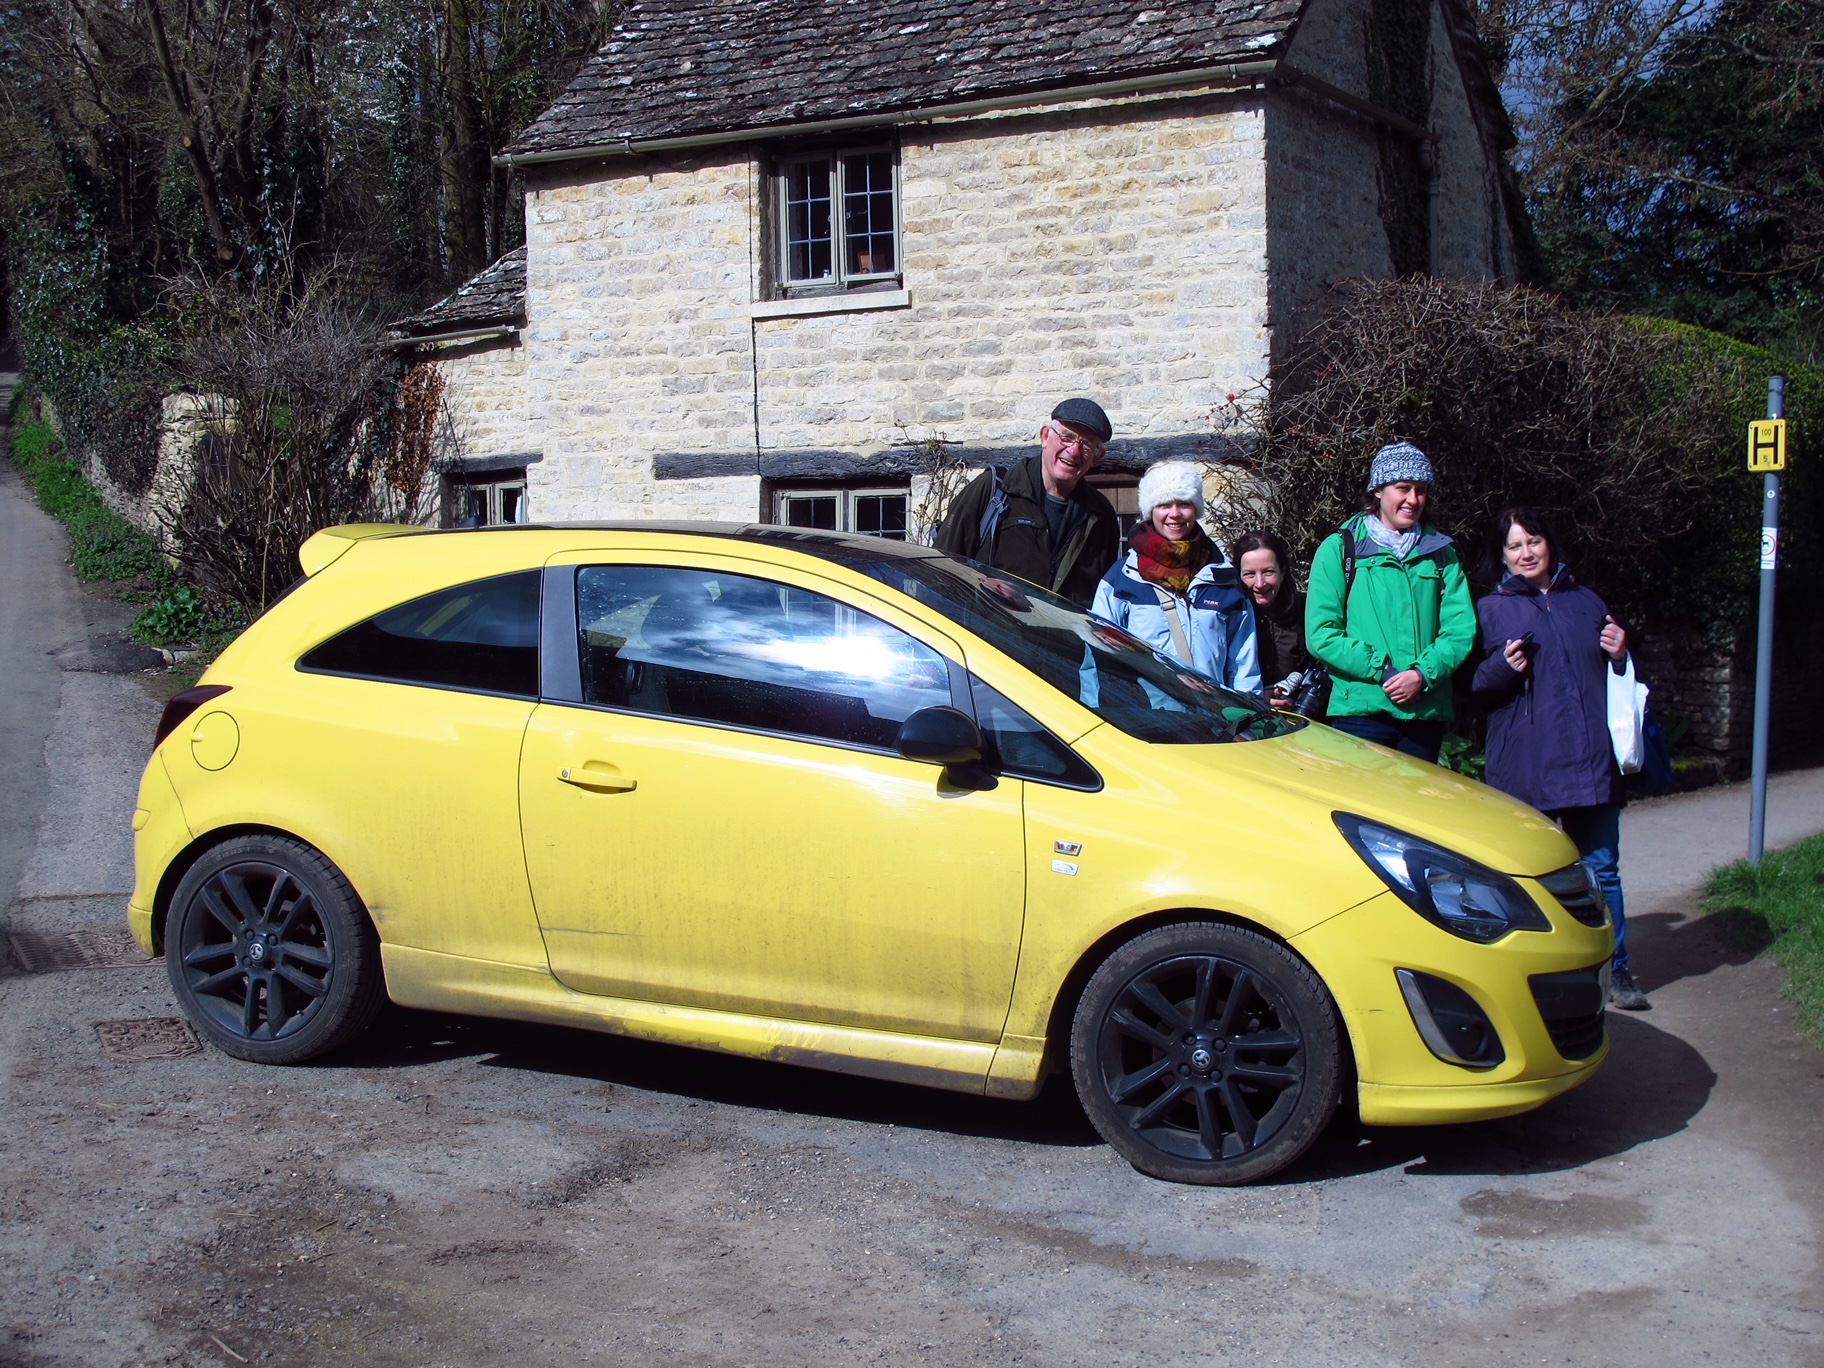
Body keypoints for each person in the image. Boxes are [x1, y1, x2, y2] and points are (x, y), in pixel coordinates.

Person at [1472, 506, 1648, 1011]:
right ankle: (1539, 976)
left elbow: (1621, 677)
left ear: (1551, 544)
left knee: (1603, 868)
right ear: (1501, 555)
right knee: (1527, 875)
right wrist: (1502, 668)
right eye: (1514, 545)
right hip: (1525, 765)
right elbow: (1471, 690)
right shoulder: (1489, 609)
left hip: (1591, 760)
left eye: (1534, 541)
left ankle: (1618, 971)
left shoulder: (1588, 601)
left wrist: (1619, 653)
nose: (1526, 553)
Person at [1305, 442, 1476, 764]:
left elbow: (1460, 628)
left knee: (1414, 813)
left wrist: (1422, 675)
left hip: (1425, 714)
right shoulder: (1340, 550)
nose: (1413, 500)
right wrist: (1382, 671)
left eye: (1421, 490)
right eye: (1403, 488)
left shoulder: (1443, 554)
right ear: (1379, 490)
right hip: (1361, 713)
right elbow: (1321, 633)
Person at [1089, 462, 1261, 693]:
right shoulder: (1122, 580)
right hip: (1147, 720)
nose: (1174, 514)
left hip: (1215, 719)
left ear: (1196, 508)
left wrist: (1247, 717)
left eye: (1184, 504)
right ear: (1151, 510)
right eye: (1164, 504)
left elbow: (1244, 665)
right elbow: (1100, 657)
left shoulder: (1224, 578)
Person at [935, 398, 1120, 607]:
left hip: (1064, 640)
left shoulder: (1101, 516)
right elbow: (942, 569)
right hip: (988, 636)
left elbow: (1104, 603)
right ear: (1045, 437)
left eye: (1086, 443)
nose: (1074, 450)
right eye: (1066, 437)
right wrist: (980, 586)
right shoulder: (994, 491)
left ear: (1098, 456)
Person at [1232, 529, 1310, 706]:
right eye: (1250, 574)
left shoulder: (1307, 609)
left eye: (1268, 572)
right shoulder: (1230, 616)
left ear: (1282, 571)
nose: (1260, 584)